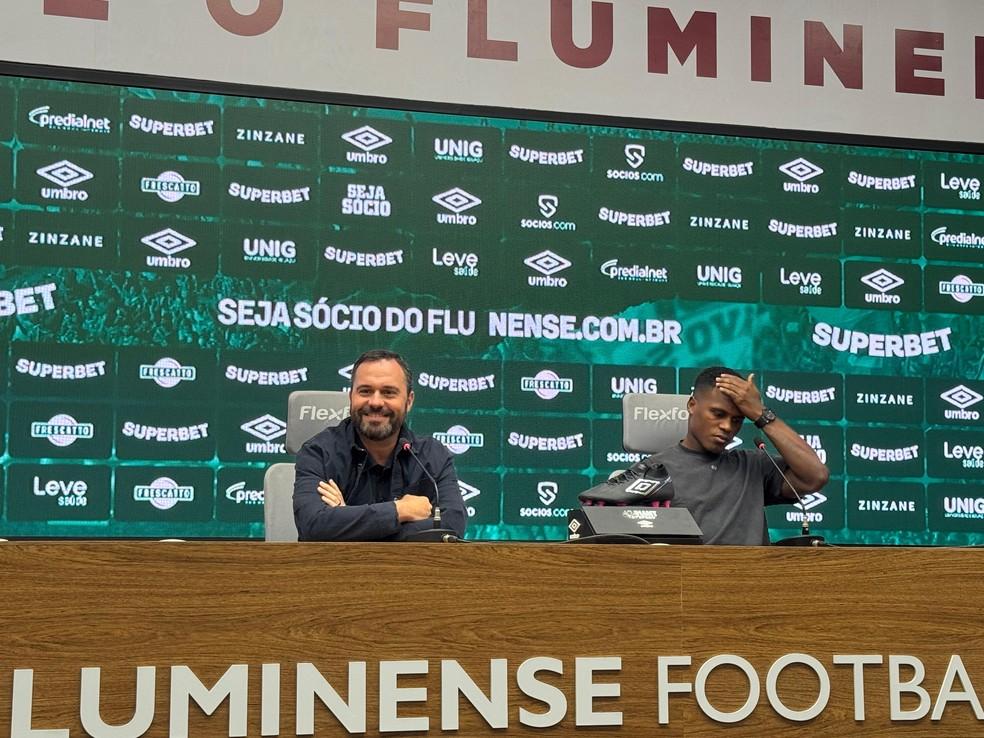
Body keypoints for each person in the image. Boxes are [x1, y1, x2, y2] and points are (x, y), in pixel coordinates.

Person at [612, 366, 829, 545]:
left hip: (752, 580)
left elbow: (815, 476)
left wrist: (760, 414)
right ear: (692, 405)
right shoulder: (651, 472)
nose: (727, 426)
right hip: (688, 581)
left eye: (737, 420)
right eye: (718, 414)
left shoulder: (753, 466)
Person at [293, 349, 467, 541]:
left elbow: (452, 526)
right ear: (351, 396)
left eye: (388, 392)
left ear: (409, 401)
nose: (375, 402)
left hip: (410, 563)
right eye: (365, 391)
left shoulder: (433, 456)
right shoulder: (319, 453)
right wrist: (400, 511)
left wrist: (347, 523)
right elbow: (312, 525)